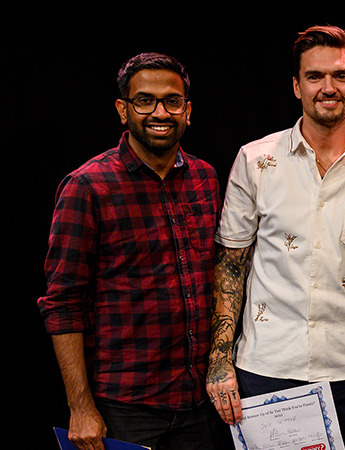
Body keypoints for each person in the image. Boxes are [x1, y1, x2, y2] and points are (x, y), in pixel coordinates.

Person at [204, 25, 345, 449]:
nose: (327, 87)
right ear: (297, 87)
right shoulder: (255, 160)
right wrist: (220, 360)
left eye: (338, 76)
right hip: (266, 368)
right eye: (314, 77)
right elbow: (230, 266)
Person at [38, 53, 227, 450]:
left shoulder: (205, 178)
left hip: (199, 405)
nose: (160, 112)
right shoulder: (87, 186)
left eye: (172, 101)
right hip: (124, 410)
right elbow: (63, 304)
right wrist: (80, 406)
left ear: (187, 111)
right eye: (145, 101)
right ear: (124, 111)